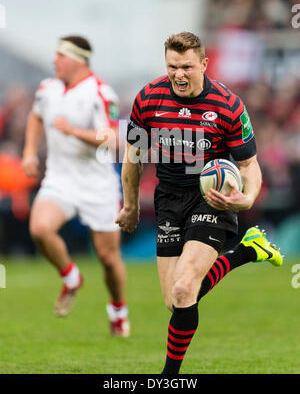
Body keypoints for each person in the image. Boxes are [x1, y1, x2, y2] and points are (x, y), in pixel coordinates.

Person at [115, 31, 283, 371]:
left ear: (204, 64)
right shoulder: (147, 99)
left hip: (212, 199)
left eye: (187, 67)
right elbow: (133, 156)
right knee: (174, 300)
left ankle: (169, 377)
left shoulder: (228, 105)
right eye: (172, 66)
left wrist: (246, 197)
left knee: (183, 288)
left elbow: (250, 165)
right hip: (168, 198)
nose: (179, 74)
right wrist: (131, 206)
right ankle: (247, 252)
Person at [22, 35, 130, 337]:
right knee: (40, 229)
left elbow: (113, 140)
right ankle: (71, 277)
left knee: (108, 259)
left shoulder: (100, 92)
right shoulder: (47, 88)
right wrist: (30, 151)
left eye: (60, 55)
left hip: (97, 185)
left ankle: (118, 310)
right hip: (60, 179)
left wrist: (73, 131)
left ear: (77, 60)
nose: (54, 60)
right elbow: (35, 116)